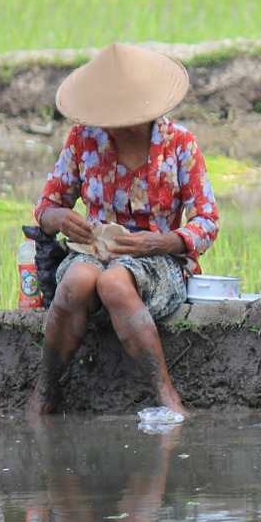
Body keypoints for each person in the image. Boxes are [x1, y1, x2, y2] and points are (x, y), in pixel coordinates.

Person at [27, 42, 219, 418]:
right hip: (95, 253)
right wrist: (63, 219)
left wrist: (161, 242)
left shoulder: (179, 144)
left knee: (115, 282)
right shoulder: (84, 140)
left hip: (158, 261)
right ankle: (45, 390)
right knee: (77, 281)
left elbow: (207, 221)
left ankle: (165, 393)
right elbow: (46, 207)